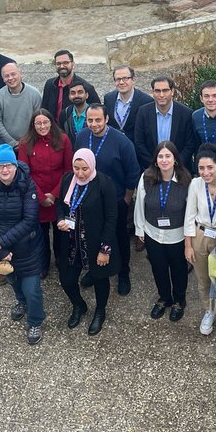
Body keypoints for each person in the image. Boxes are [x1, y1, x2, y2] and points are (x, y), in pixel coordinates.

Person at [0, 144, 46, 345]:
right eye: (0, 166)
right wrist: (0, 248)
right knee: (13, 280)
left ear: (16, 166)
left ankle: (35, 320)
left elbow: (29, 220)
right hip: (1, 250)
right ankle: (21, 301)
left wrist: (2, 243)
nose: (5, 170)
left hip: (27, 248)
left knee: (32, 288)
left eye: (9, 165)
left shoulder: (27, 186)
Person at [77, 103, 141, 296]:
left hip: (115, 199)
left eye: (98, 120)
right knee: (92, 235)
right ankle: (95, 271)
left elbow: (132, 173)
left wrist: (127, 199)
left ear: (106, 119)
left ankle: (123, 272)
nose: (94, 124)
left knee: (119, 237)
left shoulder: (122, 142)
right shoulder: (81, 137)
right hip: (88, 199)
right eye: (90, 120)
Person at [55, 148, 119, 335]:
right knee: (66, 280)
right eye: (76, 168)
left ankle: (100, 311)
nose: (80, 173)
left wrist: (105, 249)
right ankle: (79, 305)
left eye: (85, 169)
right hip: (71, 241)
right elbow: (61, 203)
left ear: (92, 166)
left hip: (95, 242)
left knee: (100, 278)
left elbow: (111, 218)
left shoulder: (104, 184)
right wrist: (60, 219)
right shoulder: (68, 179)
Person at [134, 141, 192, 322]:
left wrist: (189, 238)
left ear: (175, 159)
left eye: (168, 156)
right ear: (156, 160)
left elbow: (190, 212)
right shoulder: (146, 177)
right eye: (160, 156)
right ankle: (164, 297)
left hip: (177, 236)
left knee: (179, 270)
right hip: (153, 233)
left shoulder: (186, 180)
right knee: (158, 268)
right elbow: (139, 205)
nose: (164, 160)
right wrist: (139, 228)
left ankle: (179, 300)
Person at [184, 144, 216, 338]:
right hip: (200, 234)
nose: (206, 172)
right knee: (203, 278)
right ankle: (209, 310)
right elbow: (189, 215)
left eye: (210, 168)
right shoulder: (196, 184)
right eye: (201, 168)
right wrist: (188, 244)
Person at [18, 110, 73, 277]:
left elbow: (69, 169)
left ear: (51, 122)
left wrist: (55, 194)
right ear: (33, 125)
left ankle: (62, 260)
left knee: (61, 232)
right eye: (38, 123)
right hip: (36, 196)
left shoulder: (63, 139)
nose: (42, 126)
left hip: (59, 194)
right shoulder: (25, 143)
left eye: (45, 122)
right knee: (40, 234)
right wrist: (41, 197)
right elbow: (24, 173)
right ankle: (43, 263)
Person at [132, 75, 194, 170]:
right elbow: (139, 142)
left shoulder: (186, 113)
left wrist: (175, 164)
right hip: (152, 169)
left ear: (172, 91)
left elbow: (189, 145)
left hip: (180, 170)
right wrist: (155, 164)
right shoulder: (143, 112)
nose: (161, 95)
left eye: (165, 90)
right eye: (157, 91)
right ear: (153, 92)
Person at [41, 49, 100, 124]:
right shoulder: (50, 85)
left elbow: (97, 112)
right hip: (54, 131)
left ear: (73, 64)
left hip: (74, 132)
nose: (62, 66)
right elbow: (44, 109)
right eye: (58, 63)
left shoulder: (86, 88)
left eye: (65, 63)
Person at [0, 62, 42, 147]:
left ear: (20, 74)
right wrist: (13, 143)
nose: (10, 78)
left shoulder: (35, 94)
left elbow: (38, 120)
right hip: (7, 144)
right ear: (3, 79)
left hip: (31, 143)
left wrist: (26, 142)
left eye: (13, 74)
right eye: (6, 76)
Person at [103, 65, 150, 136]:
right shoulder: (108, 98)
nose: (121, 82)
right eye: (118, 79)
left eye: (125, 78)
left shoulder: (146, 101)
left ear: (133, 80)